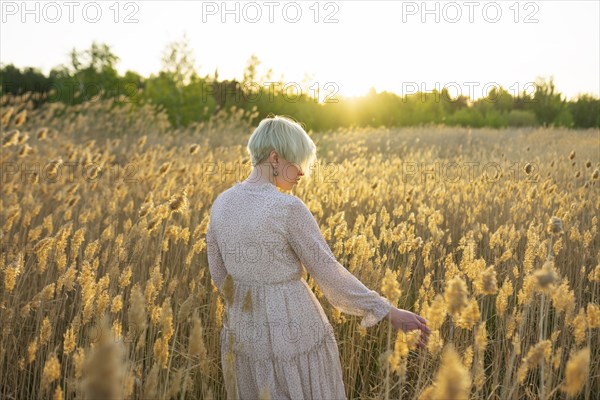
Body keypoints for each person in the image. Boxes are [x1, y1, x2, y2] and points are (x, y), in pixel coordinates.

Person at [206, 115, 430, 400]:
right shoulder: (287, 207)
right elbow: (328, 272)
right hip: (294, 331)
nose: (302, 172)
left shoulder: (221, 203)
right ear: (274, 158)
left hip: (243, 332)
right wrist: (388, 311)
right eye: (297, 162)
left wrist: (248, 306)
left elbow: (219, 275)